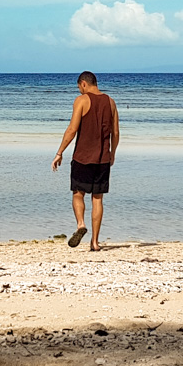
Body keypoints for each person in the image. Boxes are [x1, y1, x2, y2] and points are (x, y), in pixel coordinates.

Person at [51, 71, 119, 251]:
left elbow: (72, 130)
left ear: (83, 84)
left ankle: (81, 224)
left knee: (78, 193)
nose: (80, 91)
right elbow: (116, 133)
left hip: (82, 157)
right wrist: (112, 153)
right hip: (102, 158)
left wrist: (59, 152)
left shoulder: (81, 100)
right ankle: (95, 243)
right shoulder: (111, 102)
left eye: (79, 88)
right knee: (98, 199)